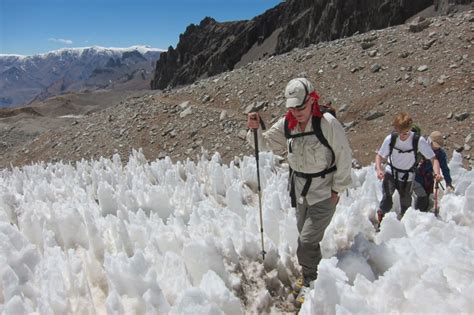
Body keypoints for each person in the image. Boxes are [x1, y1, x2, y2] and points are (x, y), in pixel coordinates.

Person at [246, 78, 352, 305]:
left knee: (305, 242)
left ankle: (312, 284)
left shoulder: (327, 124)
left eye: (301, 107)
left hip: (324, 192)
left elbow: (344, 156)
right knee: (308, 240)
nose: (297, 112)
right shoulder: (288, 123)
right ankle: (314, 276)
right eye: (292, 108)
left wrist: (337, 189)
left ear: (312, 100)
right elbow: (264, 144)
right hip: (300, 192)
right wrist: (253, 129)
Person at [375, 112, 441, 224]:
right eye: (400, 132)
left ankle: (405, 228)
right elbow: (379, 156)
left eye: (406, 132)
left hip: (408, 177)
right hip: (391, 172)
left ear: (410, 128)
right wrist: (379, 169)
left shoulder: (418, 141)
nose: (403, 135)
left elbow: (433, 159)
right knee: (387, 200)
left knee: (406, 205)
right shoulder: (391, 139)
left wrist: (437, 173)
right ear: (395, 129)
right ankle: (381, 221)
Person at [413, 131, 453, 212]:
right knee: (422, 197)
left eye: (439, 146)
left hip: (429, 178)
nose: (437, 147)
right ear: (430, 141)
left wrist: (448, 182)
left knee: (426, 197)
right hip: (417, 176)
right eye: (436, 145)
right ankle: (416, 215)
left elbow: (445, 168)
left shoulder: (440, 154)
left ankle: (424, 216)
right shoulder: (421, 147)